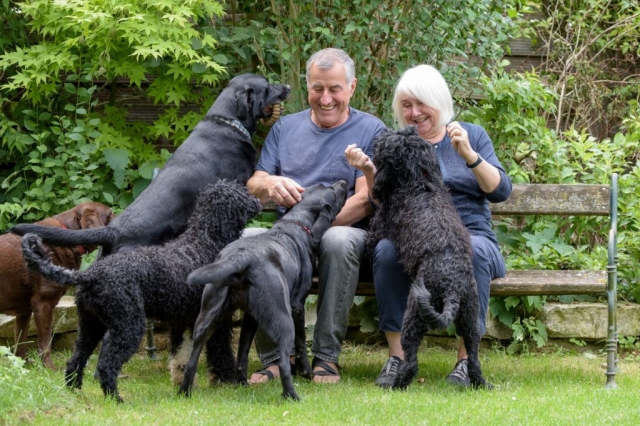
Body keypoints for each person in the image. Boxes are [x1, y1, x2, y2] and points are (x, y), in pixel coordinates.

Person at [345, 64, 512, 388]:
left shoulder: (470, 134)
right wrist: (368, 170)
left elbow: (501, 191)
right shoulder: (396, 143)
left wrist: (469, 155)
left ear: (440, 103)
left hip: (472, 235)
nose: (414, 112)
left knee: (473, 251)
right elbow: (383, 203)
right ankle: (398, 358)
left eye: (422, 103)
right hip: (415, 242)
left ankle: (467, 362)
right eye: (406, 105)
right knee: (385, 250)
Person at [246, 48, 387, 384]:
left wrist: (309, 229)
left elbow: (366, 201)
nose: (326, 99)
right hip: (289, 240)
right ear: (307, 86)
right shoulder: (284, 129)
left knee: (337, 240)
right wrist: (270, 182)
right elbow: (254, 181)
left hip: (343, 238)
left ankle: (326, 356)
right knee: (249, 241)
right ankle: (276, 358)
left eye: (335, 89)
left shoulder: (371, 130)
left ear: (352, 88)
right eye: (317, 88)